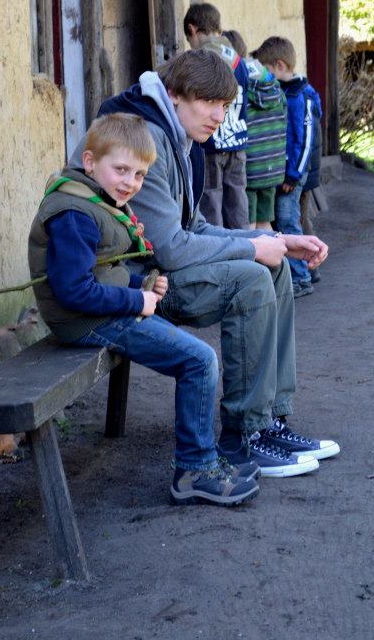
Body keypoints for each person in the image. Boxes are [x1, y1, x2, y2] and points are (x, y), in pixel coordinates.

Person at [94, 50, 340, 477]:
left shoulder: (183, 138)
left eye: (224, 106)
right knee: (250, 279)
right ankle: (244, 436)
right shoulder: (144, 142)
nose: (218, 117)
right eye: (208, 103)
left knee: (275, 265)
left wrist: (276, 239)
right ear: (173, 95)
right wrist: (251, 250)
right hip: (133, 287)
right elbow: (169, 248)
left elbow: (199, 226)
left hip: (156, 276)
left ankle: (269, 421)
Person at [28, 112, 259, 507]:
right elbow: (74, 291)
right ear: (89, 162)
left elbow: (103, 266)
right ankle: (194, 470)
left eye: (138, 175)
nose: (130, 183)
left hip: (98, 312)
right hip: (85, 321)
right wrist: (138, 300)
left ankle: (203, 461)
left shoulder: (95, 198)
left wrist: (141, 283)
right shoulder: (74, 213)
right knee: (199, 360)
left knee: (197, 357)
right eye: (120, 169)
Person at [255, 36, 323, 298]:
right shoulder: (282, 93)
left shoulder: (301, 97)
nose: (265, 75)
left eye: (267, 70)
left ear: (280, 66)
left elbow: (305, 142)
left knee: (287, 220)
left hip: (293, 173)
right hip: (280, 170)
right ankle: (296, 273)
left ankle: (300, 278)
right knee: (281, 221)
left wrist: (293, 175)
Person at [184, 3, 249, 229]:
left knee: (211, 201)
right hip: (238, 142)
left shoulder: (202, 59)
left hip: (211, 144)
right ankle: (249, 252)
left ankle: (221, 254)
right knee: (238, 199)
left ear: (192, 30)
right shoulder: (239, 59)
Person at [222, 31, 288, 232]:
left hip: (251, 169)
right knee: (265, 221)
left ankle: (256, 262)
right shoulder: (273, 84)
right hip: (273, 167)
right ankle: (274, 263)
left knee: (248, 223)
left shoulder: (239, 84)